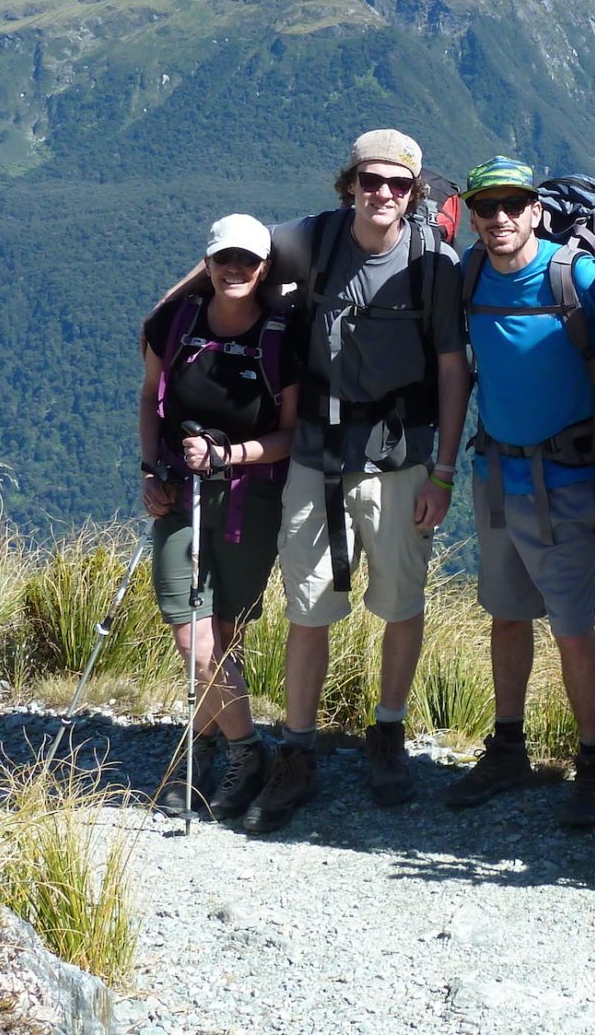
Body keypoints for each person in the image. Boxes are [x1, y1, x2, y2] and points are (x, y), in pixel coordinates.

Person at [238, 130, 471, 836]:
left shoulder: (435, 264)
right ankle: (299, 749)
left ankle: (388, 732)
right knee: (308, 607)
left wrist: (445, 471)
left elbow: (455, 369)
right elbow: (238, 251)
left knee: (400, 604)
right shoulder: (312, 240)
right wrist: (163, 327)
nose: (383, 194)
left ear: (415, 192)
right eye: (371, 180)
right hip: (318, 455)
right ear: (350, 183)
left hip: (402, 459)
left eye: (398, 185)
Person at [449, 156, 595, 829]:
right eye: (486, 207)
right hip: (494, 474)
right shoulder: (469, 276)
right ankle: (509, 747)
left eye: (512, 205)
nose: (500, 219)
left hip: (566, 480)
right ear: (472, 213)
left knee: (573, 629)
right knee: (506, 613)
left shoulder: (578, 276)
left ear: (535, 209)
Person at [139, 213, 298, 821]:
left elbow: (291, 434)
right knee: (191, 629)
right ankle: (248, 750)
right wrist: (150, 470)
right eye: (223, 258)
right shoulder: (174, 323)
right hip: (182, 495)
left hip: (249, 499)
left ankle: (203, 747)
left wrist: (230, 454)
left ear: (264, 271)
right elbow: (151, 400)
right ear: (206, 263)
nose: (236, 269)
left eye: (249, 261)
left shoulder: (282, 338)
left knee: (225, 633)